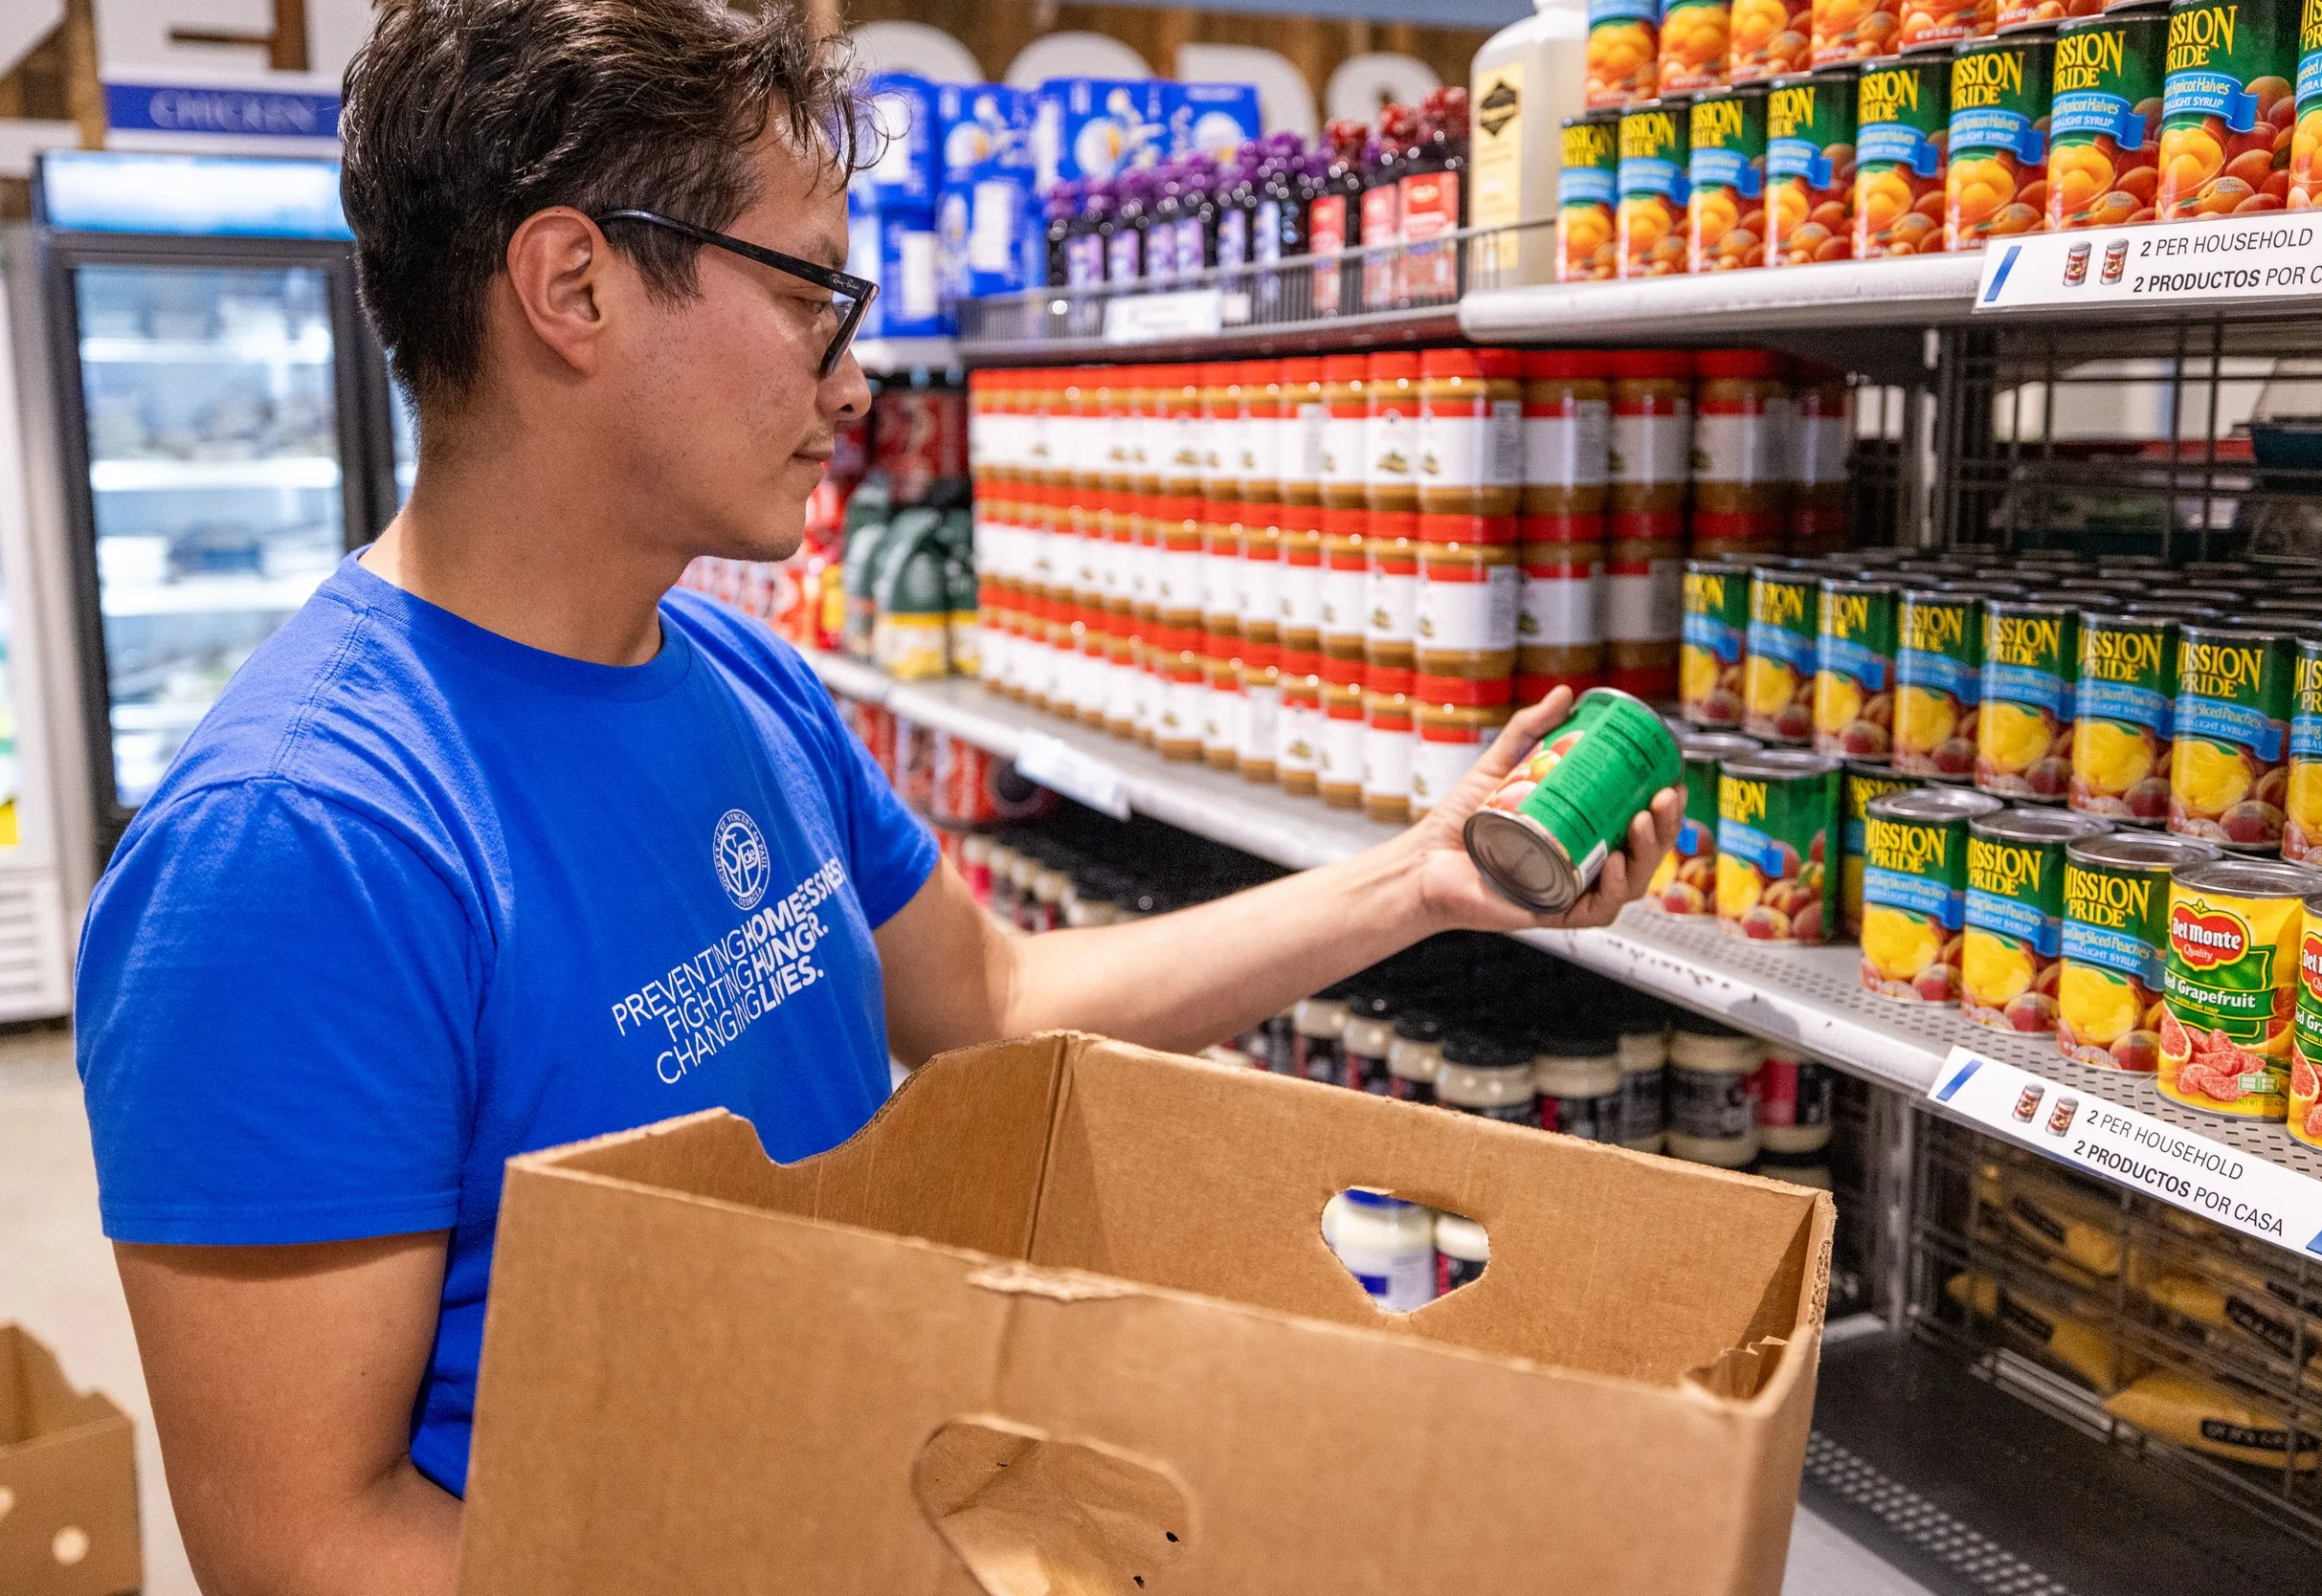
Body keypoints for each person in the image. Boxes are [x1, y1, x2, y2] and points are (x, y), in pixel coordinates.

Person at [72, 1, 1680, 1591]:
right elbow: (307, 1544)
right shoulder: (296, 846)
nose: (853, 387)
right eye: (811, 299)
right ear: (575, 286)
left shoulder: (740, 679)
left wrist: (1411, 886)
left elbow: (993, 998)